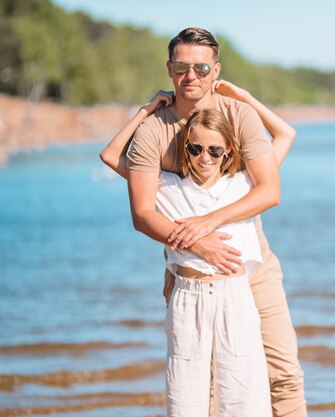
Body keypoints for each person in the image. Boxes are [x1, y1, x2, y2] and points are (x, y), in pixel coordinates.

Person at [100, 27, 307, 417]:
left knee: (283, 374)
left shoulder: (238, 116)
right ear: (169, 68)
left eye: (200, 67)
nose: (190, 76)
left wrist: (207, 223)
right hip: (188, 273)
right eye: (181, 66)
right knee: (204, 386)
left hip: (251, 267)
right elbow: (143, 214)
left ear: (215, 71)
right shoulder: (153, 130)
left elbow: (269, 190)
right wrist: (197, 242)